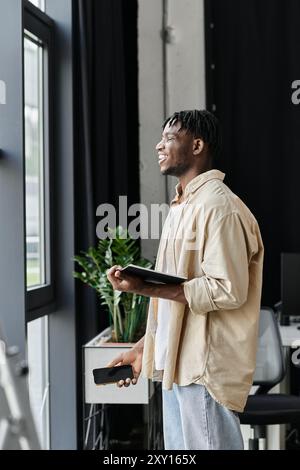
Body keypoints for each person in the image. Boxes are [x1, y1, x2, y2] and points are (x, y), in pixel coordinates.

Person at [107, 110, 264, 450]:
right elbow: (178, 299)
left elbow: (226, 289)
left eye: (169, 138)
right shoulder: (184, 206)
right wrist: (142, 349)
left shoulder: (219, 207)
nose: (158, 145)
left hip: (203, 370)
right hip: (178, 367)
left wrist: (144, 286)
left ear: (196, 145)